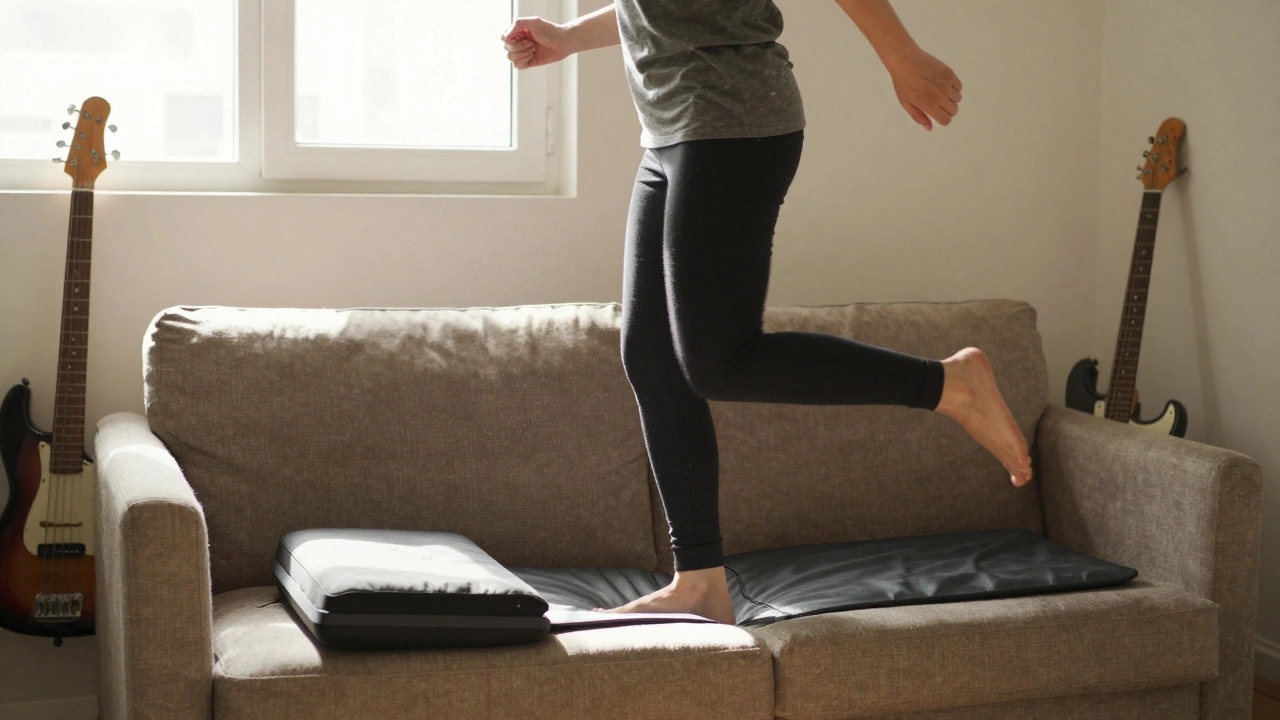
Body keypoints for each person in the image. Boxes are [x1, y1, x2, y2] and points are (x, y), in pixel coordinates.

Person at [499, 0, 1032, 626]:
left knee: (718, 361)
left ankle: (950, 384)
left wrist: (901, 55)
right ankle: (699, 581)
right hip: (672, 131)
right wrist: (568, 36)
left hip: (731, 125)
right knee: (650, 355)